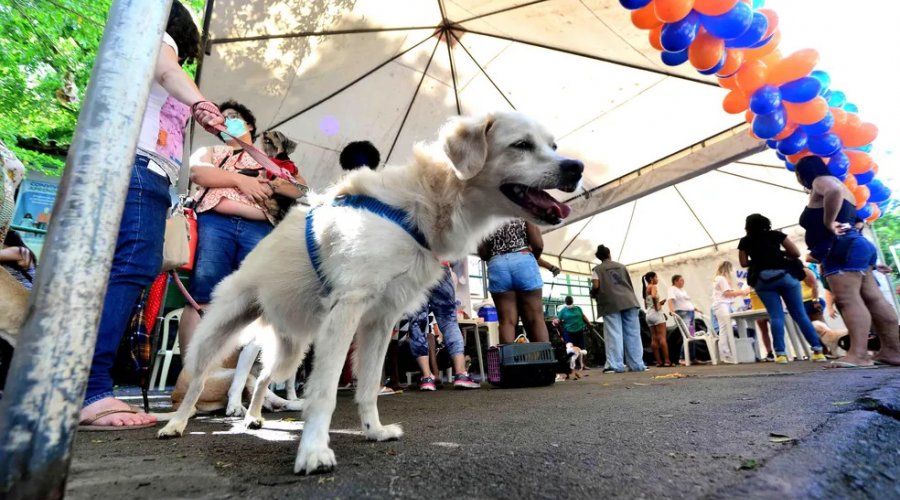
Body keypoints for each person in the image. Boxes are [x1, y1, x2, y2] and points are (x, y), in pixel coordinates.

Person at [80, 1, 225, 430]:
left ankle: (86, 384)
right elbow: (167, 71)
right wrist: (203, 105)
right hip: (139, 168)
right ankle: (90, 389)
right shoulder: (155, 39)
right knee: (131, 265)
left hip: (141, 172)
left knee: (120, 269)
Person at [177, 100, 305, 354]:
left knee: (255, 300)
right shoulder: (211, 151)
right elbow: (199, 173)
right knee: (204, 293)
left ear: (249, 125)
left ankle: (240, 378)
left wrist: (274, 184)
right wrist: (243, 182)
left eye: (232, 117)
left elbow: (299, 187)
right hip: (214, 224)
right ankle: (190, 374)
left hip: (259, 228)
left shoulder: (270, 160)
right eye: (221, 120)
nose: (225, 122)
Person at [795, 156, 900, 367]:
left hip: (840, 247)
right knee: (874, 298)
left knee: (847, 299)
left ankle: (858, 355)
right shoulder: (846, 189)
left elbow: (832, 191)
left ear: (803, 173)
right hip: (855, 244)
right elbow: (856, 221)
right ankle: (893, 351)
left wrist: (828, 222)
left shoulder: (821, 181)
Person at [738, 214, 826, 364]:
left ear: (748, 226)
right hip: (785, 276)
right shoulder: (777, 235)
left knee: (776, 316)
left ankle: (780, 354)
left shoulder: (745, 241)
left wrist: (759, 258)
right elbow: (796, 253)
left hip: (762, 279)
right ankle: (818, 351)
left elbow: (744, 263)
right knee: (800, 315)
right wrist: (779, 253)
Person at [409, 263, 480, 391]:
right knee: (449, 321)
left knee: (417, 324)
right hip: (439, 268)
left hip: (414, 270)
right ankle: (460, 373)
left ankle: (426, 378)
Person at [478, 219, 549, 343]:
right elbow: (538, 244)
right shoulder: (519, 207)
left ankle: (508, 361)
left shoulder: (488, 213)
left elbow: (483, 252)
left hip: (497, 264)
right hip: (523, 258)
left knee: (506, 321)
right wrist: (531, 259)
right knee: (535, 319)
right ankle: (544, 360)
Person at [591, 244, 646, 373]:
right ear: (609, 254)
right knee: (633, 334)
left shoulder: (597, 269)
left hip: (611, 303)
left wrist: (593, 292)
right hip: (629, 300)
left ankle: (615, 365)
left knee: (614, 333)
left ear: (599, 257)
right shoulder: (622, 266)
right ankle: (637, 364)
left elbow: (596, 285)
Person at [710, 261, 749, 364]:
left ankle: (726, 354)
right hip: (721, 305)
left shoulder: (719, 279)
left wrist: (739, 293)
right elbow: (727, 293)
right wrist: (742, 292)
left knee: (725, 329)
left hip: (723, 305)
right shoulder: (721, 279)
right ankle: (726, 354)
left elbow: (728, 294)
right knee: (725, 329)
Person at [642, 272, 671, 367]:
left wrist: (659, 304)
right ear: (651, 278)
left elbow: (646, 304)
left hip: (649, 315)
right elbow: (654, 296)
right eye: (656, 277)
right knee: (662, 338)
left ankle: (658, 362)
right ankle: (667, 361)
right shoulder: (653, 286)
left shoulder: (645, 289)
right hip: (656, 313)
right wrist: (657, 306)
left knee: (654, 338)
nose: (657, 279)